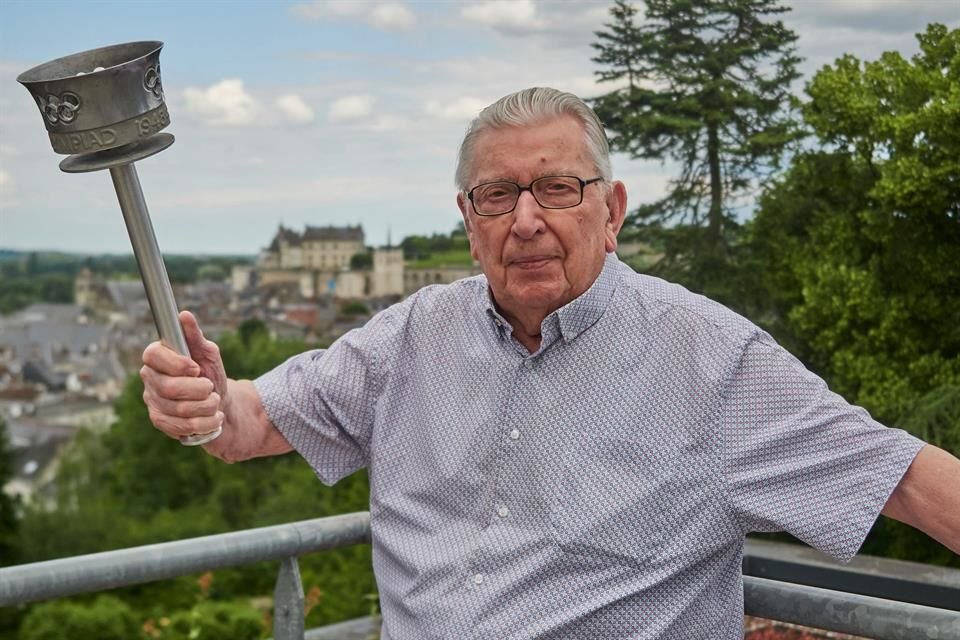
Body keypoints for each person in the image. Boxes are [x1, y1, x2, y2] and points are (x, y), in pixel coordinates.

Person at [142, 87, 960, 639]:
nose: (526, 221)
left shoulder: (709, 359)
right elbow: (247, 426)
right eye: (497, 196)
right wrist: (208, 402)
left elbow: (912, 481)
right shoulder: (410, 337)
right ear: (469, 221)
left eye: (558, 189)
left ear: (612, 211)